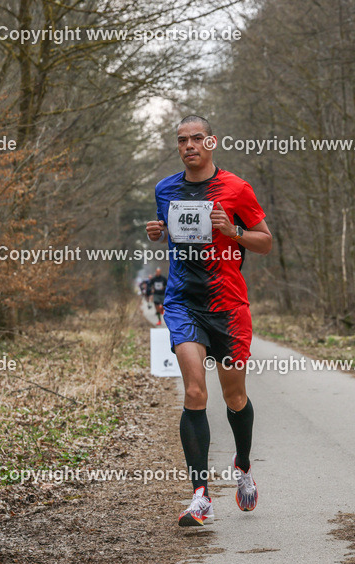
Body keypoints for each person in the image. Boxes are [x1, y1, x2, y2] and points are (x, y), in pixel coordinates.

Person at [145, 115, 272, 526]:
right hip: (183, 301)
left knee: (234, 397)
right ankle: (201, 496)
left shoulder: (236, 188)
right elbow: (174, 231)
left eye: (196, 138)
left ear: (211, 142)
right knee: (195, 392)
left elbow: (266, 242)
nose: (189, 146)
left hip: (229, 306)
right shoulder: (166, 189)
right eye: (182, 140)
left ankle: (244, 467)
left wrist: (233, 230)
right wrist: (158, 231)